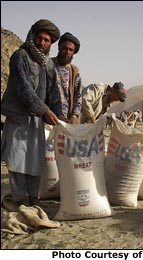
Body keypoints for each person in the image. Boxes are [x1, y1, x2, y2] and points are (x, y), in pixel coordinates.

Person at [1, 19, 61, 207]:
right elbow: (23, 88)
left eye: (47, 41)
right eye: (40, 38)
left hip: (36, 120)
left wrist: (60, 114)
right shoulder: (20, 56)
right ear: (33, 37)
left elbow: (53, 92)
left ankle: (33, 198)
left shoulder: (47, 64)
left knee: (35, 160)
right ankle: (19, 199)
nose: (42, 43)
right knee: (18, 160)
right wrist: (44, 110)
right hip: (19, 117)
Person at [51, 32, 82, 124]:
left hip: (66, 121)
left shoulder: (74, 72)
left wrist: (74, 116)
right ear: (59, 47)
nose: (67, 52)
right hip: (48, 117)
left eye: (70, 50)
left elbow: (78, 97)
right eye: (64, 48)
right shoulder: (48, 65)